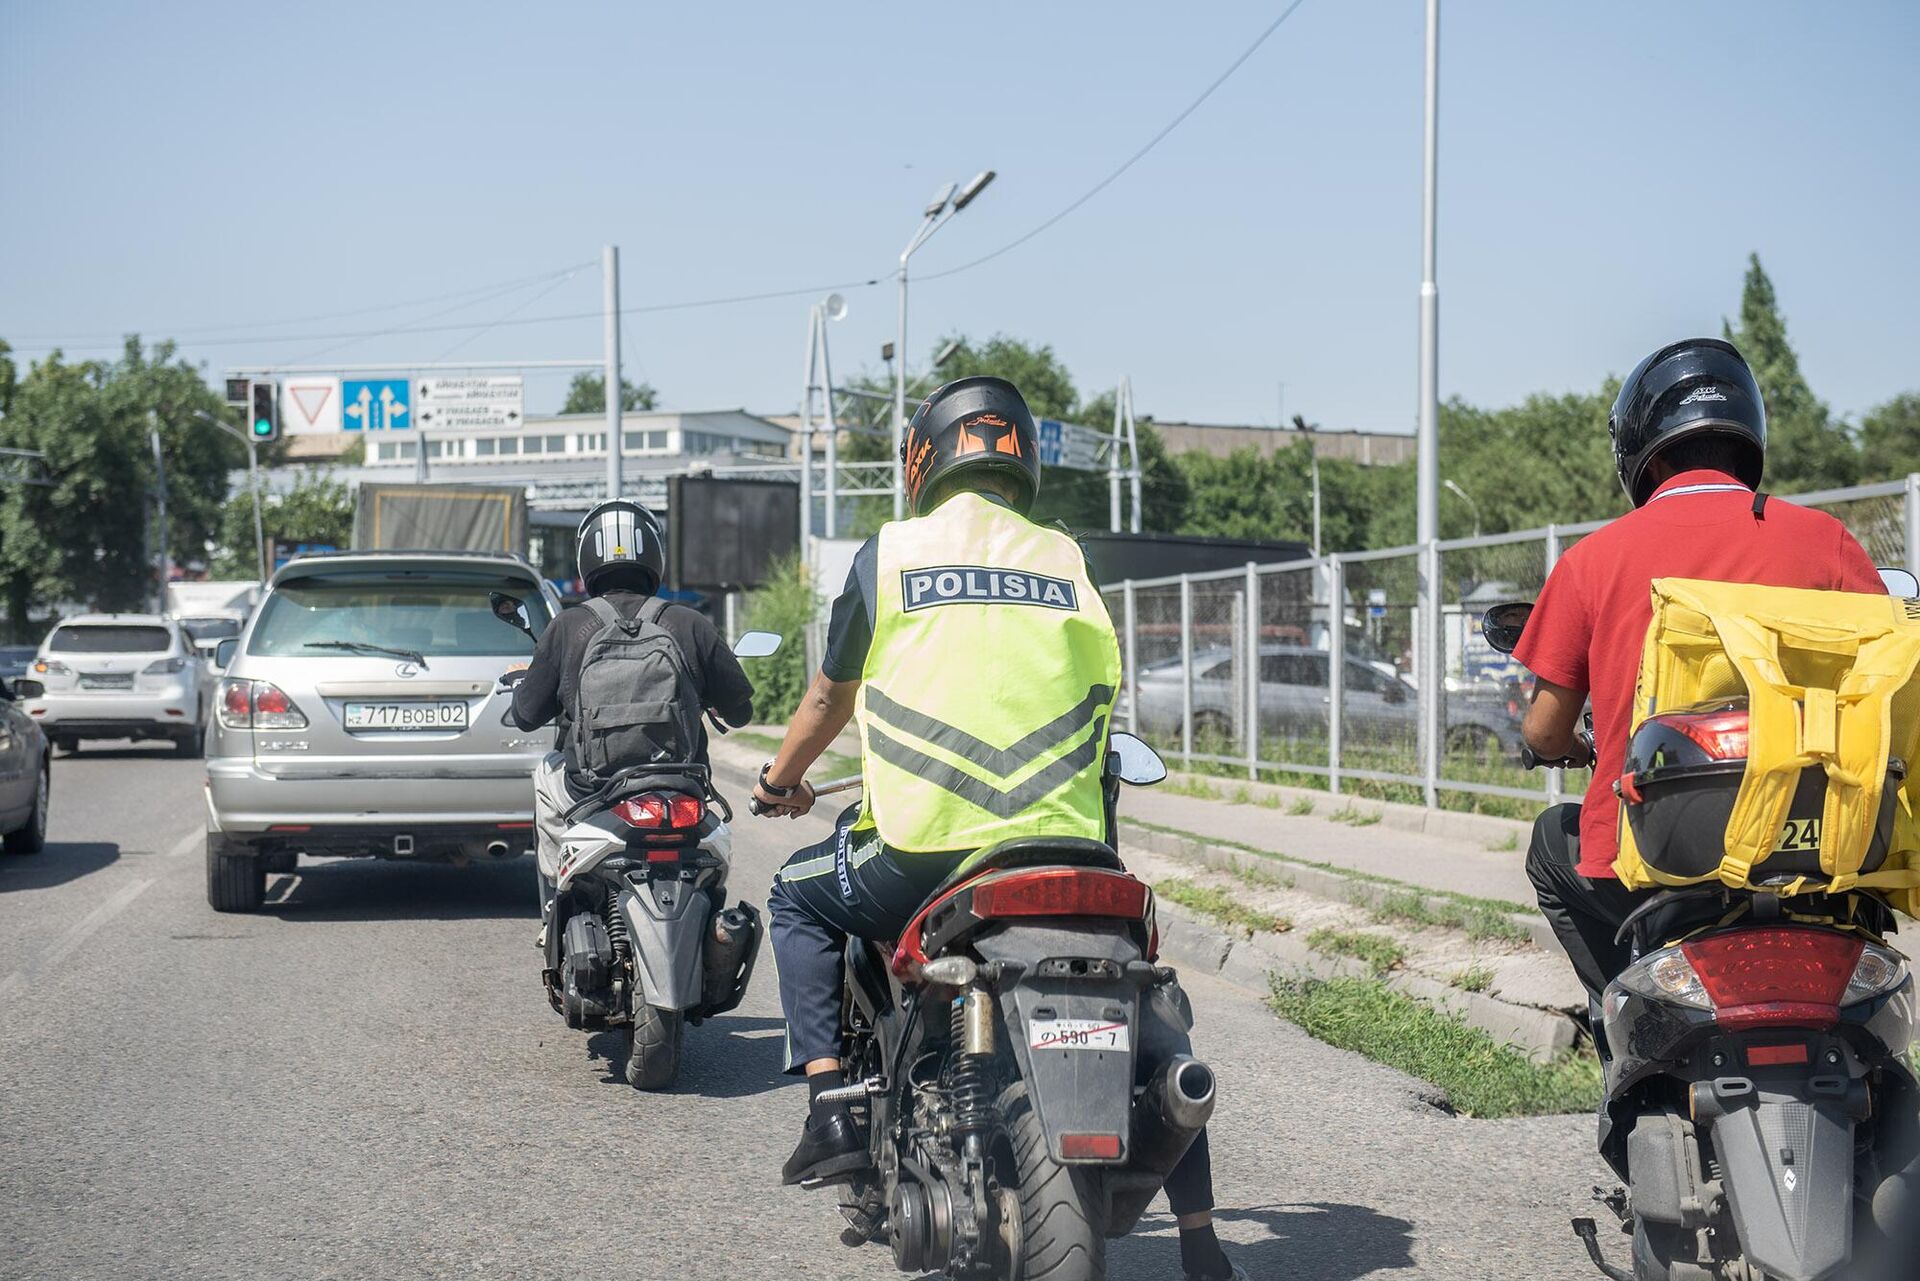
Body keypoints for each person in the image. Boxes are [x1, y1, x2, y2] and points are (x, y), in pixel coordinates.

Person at [753, 376, 1245, 1281]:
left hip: (925, 849)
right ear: (1022, 454)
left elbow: (830, 694)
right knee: (1153, 995)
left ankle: (829, 1103)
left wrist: (781, 779)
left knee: (794, 896)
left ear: (922, 458)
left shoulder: (891, 553)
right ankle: (1196, 1228)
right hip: (1072, 848)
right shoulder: (1067, 559)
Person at [1516, 338, 1884, 1000]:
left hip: (1650, 861)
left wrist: (1574, 746)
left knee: (1551, 840)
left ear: (1643, 452)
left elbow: (1543, 733)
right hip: (1817, 842)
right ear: (1746, 435)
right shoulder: (1826, 541)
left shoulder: (1592, 561)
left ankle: (1624, 1008)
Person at [510, 499, 757, 929]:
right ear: (654, 556)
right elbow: (741, 713)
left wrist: (525, 683)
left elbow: (526, 716)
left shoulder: (567, 627)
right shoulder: (690, 622)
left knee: (545, 774)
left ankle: (556, 904)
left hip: (592, 789)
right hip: (681, 785)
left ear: (587, 557)